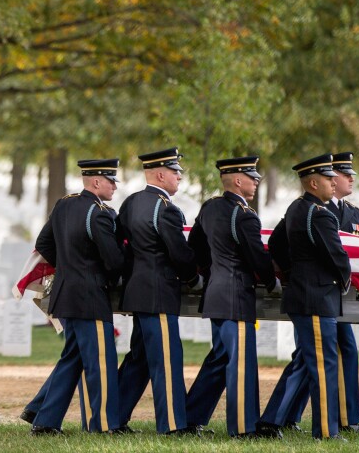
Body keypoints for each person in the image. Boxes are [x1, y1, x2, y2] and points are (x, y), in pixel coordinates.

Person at [259, 152, 359, 436]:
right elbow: (338, 257)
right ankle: (326, 430)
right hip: (318, 296)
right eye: (328, 178)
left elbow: (278, 245)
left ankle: (274, 422)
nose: (334, 182)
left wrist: (292, 274)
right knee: (323, 366)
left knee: (312, 362)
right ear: (314, 183)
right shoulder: (318, 214)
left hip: (307, 293)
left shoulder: (298, 208)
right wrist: (345, 279)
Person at [183, 156, 282, 439]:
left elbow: (196, 249)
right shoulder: (245, 215)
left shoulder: (210, 208)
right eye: (252, 176)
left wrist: (209, 272)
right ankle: (243, 427)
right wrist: (271, 281)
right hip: (236, 297)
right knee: (241, 362)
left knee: (220, 360)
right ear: (238, 180)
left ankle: (190, 418)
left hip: (215, 295)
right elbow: (257, 258)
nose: (257, 180)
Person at [28, 159, 127, 435]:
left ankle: (44, 420)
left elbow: (44, 244)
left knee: (72, 358)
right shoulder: (99, 213)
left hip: (65, 293)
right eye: (111, 180)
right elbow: (113, 260)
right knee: (101, 363)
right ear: (96, 182)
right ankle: (104, 425)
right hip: (89, 298)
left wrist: (69, 267)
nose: (115, 186)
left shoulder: (64, 204)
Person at [116, 147, 204, 436]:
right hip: (159, 292)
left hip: (138, 291)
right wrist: (193, 277)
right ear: (160, 174)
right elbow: (179, 253)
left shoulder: (130, 203)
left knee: (139, 358)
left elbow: (122, 246)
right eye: (175, 171)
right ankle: (173, 424)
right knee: (167, 359)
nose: (179, 176)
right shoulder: (165, 209)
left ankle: (113, 417)